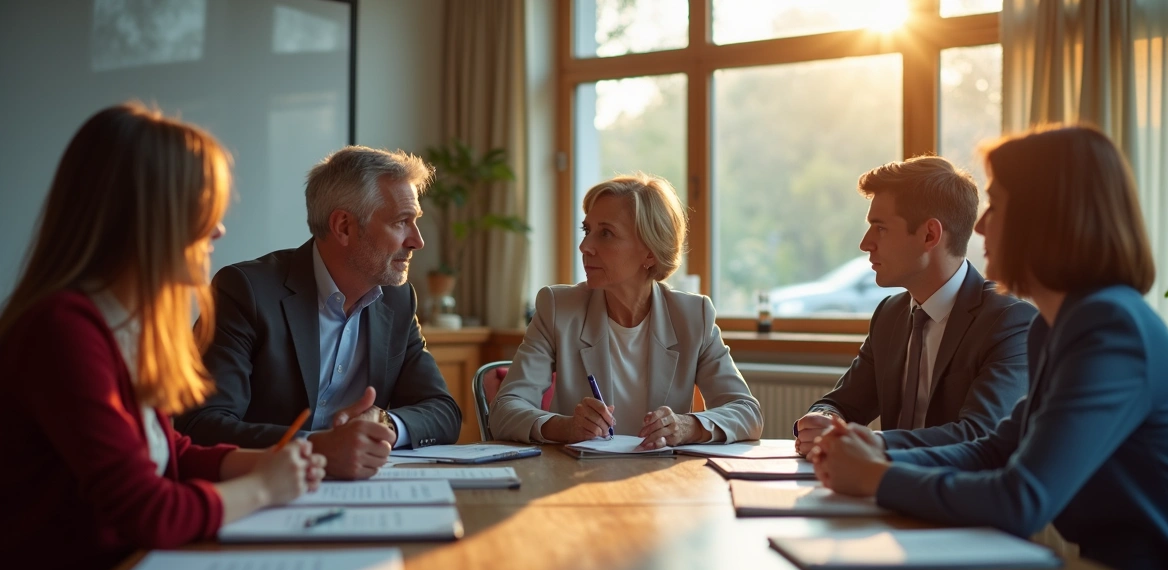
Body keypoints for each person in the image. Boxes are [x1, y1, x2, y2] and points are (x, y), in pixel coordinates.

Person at [810, 125, 1168, 570]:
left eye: (997, 206)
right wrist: (877, 450)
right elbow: (997, 448)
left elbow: (1021, 500)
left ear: (1048, 219)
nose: (980, 226)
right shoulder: (1056, 325)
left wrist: (879, 478)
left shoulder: (1110, 326)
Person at [0, 104, 326, 570]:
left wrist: (256, 463)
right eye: (202, 209)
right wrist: (263, 488)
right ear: (146, 215)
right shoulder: (61, 329)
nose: (217, 231)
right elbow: (147, 512)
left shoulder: (121, 321)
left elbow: (165, 452)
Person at [177, 146, 461, 479]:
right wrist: (319, 446)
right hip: (265, 493)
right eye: (402, 222)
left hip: (365, 492)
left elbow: (443, 411)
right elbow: (202, 424)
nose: (417, 241)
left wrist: (384, 424)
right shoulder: (246, 291)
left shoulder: (397, 300)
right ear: (343, 226)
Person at [490, 174, 762, 448]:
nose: (585, 247)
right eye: (587, 231)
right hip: (576, 480)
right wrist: (565, 426)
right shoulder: (558, 308)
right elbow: (504, 411)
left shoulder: (693, 316)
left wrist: (686, 426)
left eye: (606, 233)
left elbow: (747, 413)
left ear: (650, 252)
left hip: (661, 483)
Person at [793, 156, 1036, 455]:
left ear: (930, 235)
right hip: (878, 491)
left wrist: (871, 443)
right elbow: (842, 403)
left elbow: (979, 434)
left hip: (953, 496)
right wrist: (825, 420)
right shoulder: (889, 315)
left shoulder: (1010, 321)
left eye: (880, 228)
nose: (865, 243)